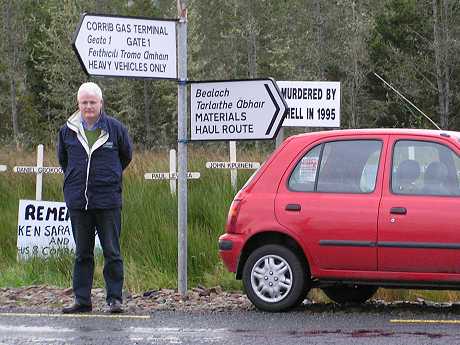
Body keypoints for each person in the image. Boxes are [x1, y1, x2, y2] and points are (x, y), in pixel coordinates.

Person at [58, 82, 132, 313]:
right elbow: (64, 161)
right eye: (84, 102)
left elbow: (125, 157)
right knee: (82, 253)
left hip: (108, 200)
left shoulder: (115, 129)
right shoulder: (67, 131)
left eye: (92, 102)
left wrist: (108, 178)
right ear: (78, 104)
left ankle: (114, 299)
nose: (88, 106)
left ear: (101, 103)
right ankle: (82, 300)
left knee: (112, 252)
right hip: (79, 202)